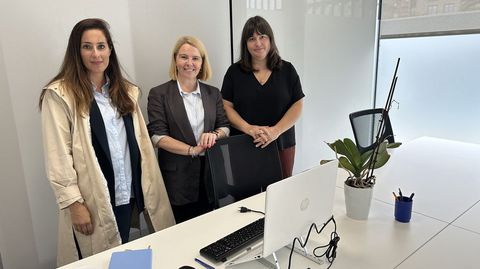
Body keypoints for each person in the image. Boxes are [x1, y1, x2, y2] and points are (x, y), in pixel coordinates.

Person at [38, 18, 175, 266]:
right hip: (91, 199)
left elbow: (140, 144)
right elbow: (58, 155)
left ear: (110, 50)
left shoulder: (125, 92)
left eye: (101, 46)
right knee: (95, 260)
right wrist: (74, 203)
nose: (96, 54)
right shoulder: (60, 95)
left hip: (126, 193)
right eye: (87, 46)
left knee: (120, 256)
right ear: (76, 52)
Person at [147, 36, 230, 223]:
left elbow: (224, 126)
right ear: (175, 60)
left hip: (211, 173)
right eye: (184, 57)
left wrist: (214, 135)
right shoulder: (159, 94)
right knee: (182, 229)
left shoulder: (213, 93)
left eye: (195, 58)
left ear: (202, 62)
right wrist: (191, 150)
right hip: (178, 177)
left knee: (210, 225)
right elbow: (157, 136)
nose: (189, 63)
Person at [221, 16, 304, 179]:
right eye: (251, 38)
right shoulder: (234, 72)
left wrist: (275, 131)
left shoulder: (287, 70)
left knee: (280, 195)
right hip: (243, 144)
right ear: (245, 44)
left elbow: (298, 105)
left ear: (270, 39)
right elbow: (226, 106)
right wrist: (248, 128)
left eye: (262, 37)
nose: (258, 43)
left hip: (281, 144)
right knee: (245, 198)